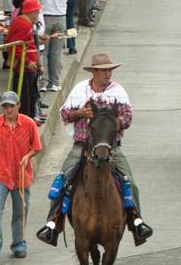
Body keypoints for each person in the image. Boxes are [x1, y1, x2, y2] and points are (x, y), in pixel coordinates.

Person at [36, 53, 153, 247]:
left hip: (110, 148)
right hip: (81, 147)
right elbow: (65, 114)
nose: (108, 74)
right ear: (94, 72)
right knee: (63, 180)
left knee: (130, 182)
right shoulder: (80, 90)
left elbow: (128, 117)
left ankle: (136, 223)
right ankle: (52, 224)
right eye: (104, 70)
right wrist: (80, 113)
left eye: (109, 70)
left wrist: (114, 122)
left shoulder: (117, 92)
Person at [0, 91, 42, 264]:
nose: (8, 109)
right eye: (5, 106)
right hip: (1, 175)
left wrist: (27, 157)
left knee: (20, 211)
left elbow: (37, 147)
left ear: (18, 105)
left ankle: (19, 243)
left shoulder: (29, 124)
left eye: (11, 105)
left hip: (21, 176)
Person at [39, 0, 82, 92]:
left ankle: (44, 82)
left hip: (44, 19)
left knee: (44, 52)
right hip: (60, 19)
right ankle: (55, 82)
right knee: (57, 52)